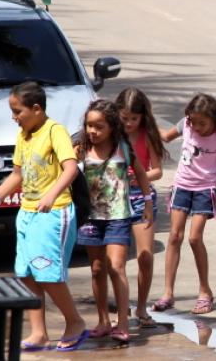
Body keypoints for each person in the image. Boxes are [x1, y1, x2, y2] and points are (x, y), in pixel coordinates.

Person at [0, 82, 87, 352]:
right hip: (27, 213)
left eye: (17, 111)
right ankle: (39, 333)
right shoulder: (24, 135)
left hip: (53, 212)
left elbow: (70, 168)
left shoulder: (55, 131)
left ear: (36, 108)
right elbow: (18, 174)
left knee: (47, 272)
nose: (14, 117)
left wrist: (51, 194)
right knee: (26, 273)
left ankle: (75, 322)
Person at [153, 94, 216, 314]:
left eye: (202, 123)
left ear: (214, 119)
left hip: (205, 190)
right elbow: (166, 136)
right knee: (174, 236)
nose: (196, 127)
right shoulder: (186, 124)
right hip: (181, 186)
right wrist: (145, 123)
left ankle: (205, 291)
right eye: (194, 122)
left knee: (195, 238)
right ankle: (167, 293)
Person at [76, 100, 152, 344]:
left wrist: (147, 203)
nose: (93, 131)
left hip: (118, 217)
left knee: (116, 267)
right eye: (89, 125)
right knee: (97, 269)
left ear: (112, 127)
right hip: (90, 218)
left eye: (99, 126)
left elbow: (141, 174)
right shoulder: (81, 149)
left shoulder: (122, 148)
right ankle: (103, 321)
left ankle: (122, 324)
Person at [115, 87, 164, 328]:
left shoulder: (147, 135)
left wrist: (140, 176)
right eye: (125, 118)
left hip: (142, 198)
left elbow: (157, 170)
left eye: (134, 118)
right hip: (115, 199)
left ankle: (142, 307)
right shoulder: (111, 135)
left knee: (145, 256)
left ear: (142, 117)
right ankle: (121, 309)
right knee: (117, 260)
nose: (129, 123)